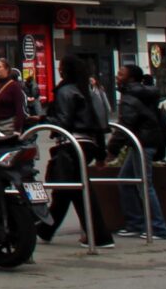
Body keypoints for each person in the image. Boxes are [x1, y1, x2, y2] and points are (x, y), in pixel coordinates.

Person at [40, 54, 114, 248]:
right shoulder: (90, 90)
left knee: (78, 190)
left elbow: (63, 121)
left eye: (61, 66)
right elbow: (100, 123)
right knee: (66, 189)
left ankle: (100, 236)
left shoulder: (66, 91)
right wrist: (100, 153)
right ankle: (45, 228)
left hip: (71, 144)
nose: (59, 69)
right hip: (87, 144)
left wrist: (40, 121)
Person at [112, 63, 166, 240]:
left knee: (144, 184)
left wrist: (112, 149)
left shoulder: (130, 96)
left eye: (121, 74)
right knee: (126, 180)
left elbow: (125, 124)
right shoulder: (144, 93)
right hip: (142, 142)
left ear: (130, 78)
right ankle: (136, 223)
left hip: (142, 143)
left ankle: (158, 227)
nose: (117, 76)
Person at [0, 58, 27, 134]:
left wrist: (17, 130)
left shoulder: (14, 86)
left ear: (7, 69)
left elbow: (19, 109)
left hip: (7, 126)